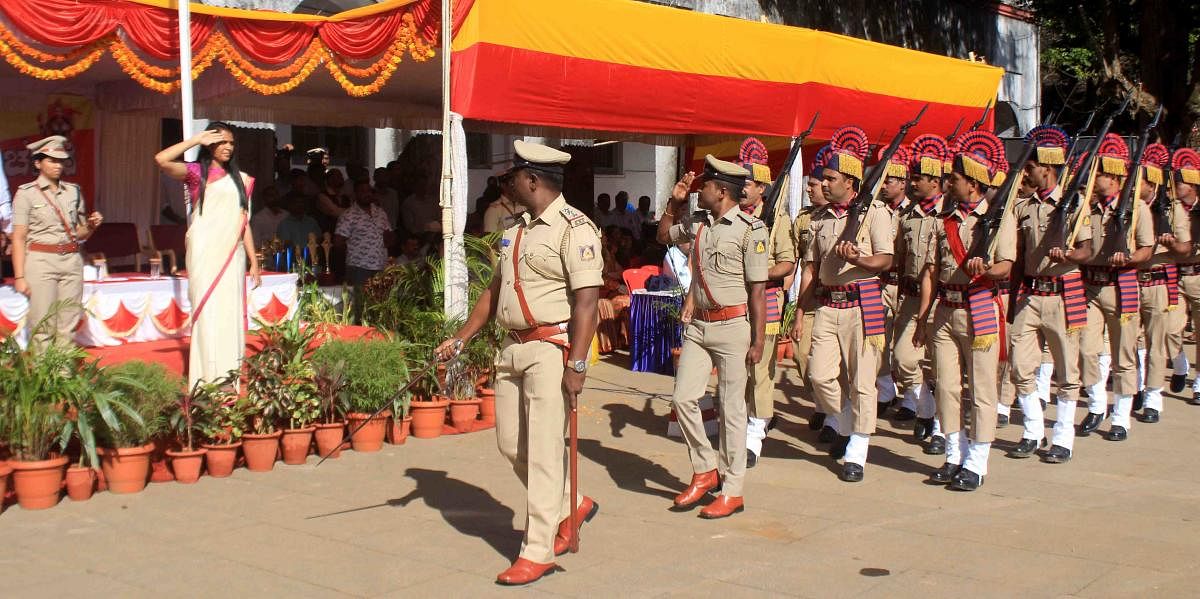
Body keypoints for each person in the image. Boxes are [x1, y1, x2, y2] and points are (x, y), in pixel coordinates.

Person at [435, 141, 601, 586]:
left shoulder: (575, 229)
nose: (507, 185)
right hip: (510, 348)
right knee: (511, 445)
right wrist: (462, 336)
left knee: (546, 452)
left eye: (513, 179)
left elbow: (587, 302)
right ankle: (574, 502)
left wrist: (578, 365)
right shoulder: (515, 228)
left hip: (551, 348)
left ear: (532, 181)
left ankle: (538, 549)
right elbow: (493, 289)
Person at [657, 155, 767, 517]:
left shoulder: (752, 230)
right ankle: (705, 468)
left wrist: (759, 340)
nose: (698, 190)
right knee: (683, 398)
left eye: (704, 186)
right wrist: (674, 202)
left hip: (734, 327)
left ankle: (732, 490)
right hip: (700, 327)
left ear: (721, 192)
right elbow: (663, 236)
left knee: (732, 410)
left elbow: (758, 291)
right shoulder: (700, 225)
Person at [790, 126, 893, 483]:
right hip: (829, 306)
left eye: (831, 178)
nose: (824, 182)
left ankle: (858, 450)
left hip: (863, 302)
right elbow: (812, 270)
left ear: (850, 181)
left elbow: (885, 260)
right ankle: (849, 423)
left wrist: (860, 260)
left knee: (863, 382)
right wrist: (800, 310)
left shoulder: (874, 212)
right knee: (819, 375)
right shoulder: (819, 219)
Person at [915, 130, 1014, 491]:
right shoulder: (944, 221)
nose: (948, 183)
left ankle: (977, 460)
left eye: (954, 179)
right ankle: (954, 453)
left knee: (983, 389)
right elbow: (931, 271)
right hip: (946, 308)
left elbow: (1006, 264)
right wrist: (923, 319)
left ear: (972, 183)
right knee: (946, 385)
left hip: (981, 306)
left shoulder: (999, 218)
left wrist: (986, 269)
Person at [1007, 126, 1093, 464]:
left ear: (1048, 168)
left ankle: (1063, 438)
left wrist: (1069, 257)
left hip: (1063, 294)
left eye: (1031, 167)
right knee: (1019, 366)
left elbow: (1086, 250)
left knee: (1067, 371)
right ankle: (1032, 430)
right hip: (1030, 293)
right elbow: (1017, 253)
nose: (1026, 172)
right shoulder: (1024, 207)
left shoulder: (1074, 205)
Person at [155, 122, 260, 388]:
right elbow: (161, 160)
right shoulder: (196, 172)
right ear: (210, 144)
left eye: (231, 143)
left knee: (229, 312)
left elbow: (243, 221)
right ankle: (204, 380)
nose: (228, 147)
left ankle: (228, 380)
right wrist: (195, 140)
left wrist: (254, 261)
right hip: (205, 251)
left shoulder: (241, 179)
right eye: (222, 141)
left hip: (231, 255)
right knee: (207, 312)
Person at [1076, 134, 1154, 439]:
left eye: (1101, 175)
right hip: (1091, 286)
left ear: (1114, 177)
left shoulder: (1136, 209)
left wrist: (1130, 258)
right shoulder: (1088, 208)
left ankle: (1121, 416)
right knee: (1086, 349)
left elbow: (1147, 248)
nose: (1096, 180)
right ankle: (1097, 404)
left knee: (1124, 354)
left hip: (1120, 284)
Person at [10, 135, 103, 351]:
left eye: (61, 160)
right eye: (52, 160)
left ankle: (64, 378)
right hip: (41, 261)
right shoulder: (26, 194)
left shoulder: (73, 191)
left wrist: (91, 225)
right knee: (43, 325)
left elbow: (79, 233)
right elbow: (19, 237)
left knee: (68, 324)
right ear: (38, 163)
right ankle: (44, 381)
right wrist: (19, 277)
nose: (57, 165)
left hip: (71, 260)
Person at [736, 149, 796, 468]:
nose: (742, 187)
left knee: (760, 369)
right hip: (736, 300)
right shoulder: (732, 216)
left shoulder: (780, 220)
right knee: (738, 368)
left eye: (748, 181)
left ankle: (755, 433)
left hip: (766, 300)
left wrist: (760, 271)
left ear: (762, 187)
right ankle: (744, 419)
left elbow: (787, 263)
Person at [893, 135, 948, 452]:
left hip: (942, 298)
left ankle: (939, 425)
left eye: (917, 178)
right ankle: (925, 408)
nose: (912, 183)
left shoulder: (947, 214)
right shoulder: (908, 215)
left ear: (935, 181)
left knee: (940, 367)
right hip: (912, 296)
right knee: (903, 358)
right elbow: (902, 256)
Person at [1134, 143, 1192, 424]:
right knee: (1130, 342)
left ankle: (1153, 398)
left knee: (1158, 341)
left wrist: (1168, 242)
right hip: (1131, 281)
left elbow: (1185, 248)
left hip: (1158, 281)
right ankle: (1135, 387)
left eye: (1141, 180)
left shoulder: (1170, 209)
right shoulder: (1129, 207)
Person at [793, 144, 831, 434]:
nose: (810, 190)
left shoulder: (845, 217)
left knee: (830, 365)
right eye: (809, 184)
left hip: (835, 301)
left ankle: (831, 415)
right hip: (809, 297)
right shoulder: (804, 218)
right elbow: (794, 260)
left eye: (814, 185)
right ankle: (821, 403)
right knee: (800, 354)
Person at [876, 146, 910, 419]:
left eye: (889, 180)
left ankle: (912, 398)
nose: (884, 185)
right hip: (885, 283)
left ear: (902, 183)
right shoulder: (878, 209)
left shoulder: (911, 211)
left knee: (907, 345)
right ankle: (886, 389)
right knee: (880, 338)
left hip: (907, 284)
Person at [336, 181, 394, 323]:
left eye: (369, 191)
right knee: (359, 306)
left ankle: (378, 334)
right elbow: (338, 242)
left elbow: (388, 234)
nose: (366, 194)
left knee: (379, 305)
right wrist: (352, 255)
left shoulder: (380, 212)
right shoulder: (349, 215)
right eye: (362, 191)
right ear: (356, 194)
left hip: (380, 266)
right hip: (359, 268)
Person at [1168, 148, 1200, 411]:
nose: (1175, 187)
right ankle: (1180, 364)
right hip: (1176, 274)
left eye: (1179, 182)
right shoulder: (1170, 208)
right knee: (1169, 328)